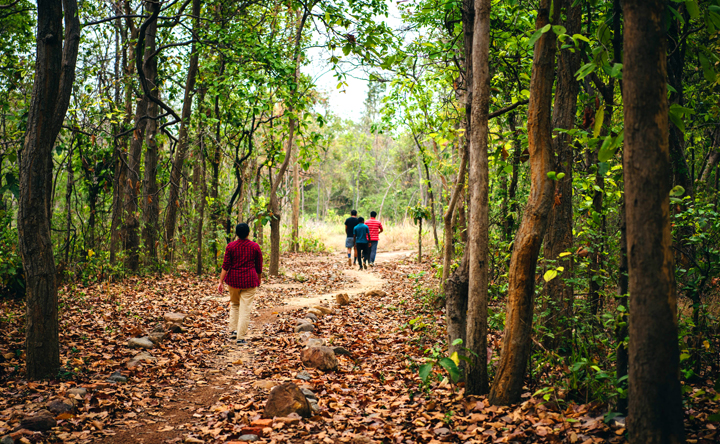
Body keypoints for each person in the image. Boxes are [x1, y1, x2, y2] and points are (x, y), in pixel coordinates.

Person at [217, 223, 263, 345]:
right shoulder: (255, 247)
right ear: (248, 233)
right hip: (249, 280)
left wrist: (220, 281)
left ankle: (233, 331)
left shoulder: (230, 246)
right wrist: (259, 280)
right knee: (245, 309)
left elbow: (225, 265)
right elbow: (259, 267)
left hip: (233, 281)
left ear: (236, 234)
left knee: (235, 305)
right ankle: (240, 337)